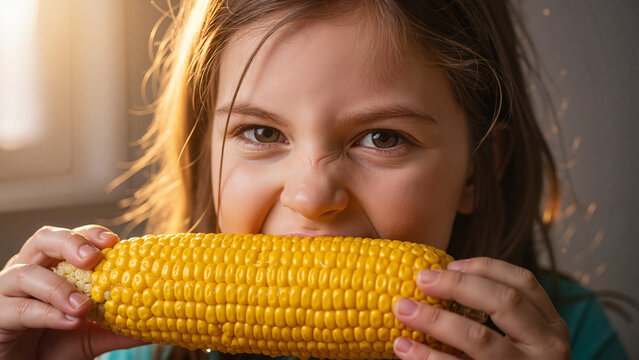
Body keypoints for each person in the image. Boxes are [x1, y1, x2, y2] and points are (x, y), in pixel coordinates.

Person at [0, 0, 629, 359]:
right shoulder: (119, 351)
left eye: (383, 138)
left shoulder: (565, 340)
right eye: (261, 134)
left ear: (481, 168)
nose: (310, 198)